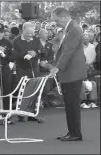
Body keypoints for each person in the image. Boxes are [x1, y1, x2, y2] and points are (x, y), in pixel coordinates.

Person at [50, 7, 87, 141]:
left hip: (73, 73)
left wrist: (57, 68)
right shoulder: (69, 29)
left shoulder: (74, 29)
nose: (55, 23)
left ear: (64, 17)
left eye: (56, 20)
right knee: (69, 104)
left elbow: (68, 51)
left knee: (72, 104)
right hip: (68, 73)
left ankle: (76, 133)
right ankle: (71, 132)